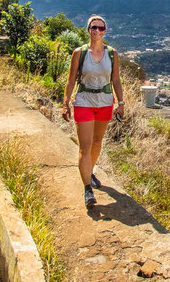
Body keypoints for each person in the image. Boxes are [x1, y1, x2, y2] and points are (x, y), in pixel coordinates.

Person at [62, 15, 124, 208]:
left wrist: (121, 102)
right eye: (94, 27)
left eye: (101, 28)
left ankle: (90, 171)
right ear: (88, 30)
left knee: (97, 143)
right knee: (85, 146)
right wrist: (65, 103)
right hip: (84, 101)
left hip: (105, 102)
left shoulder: (112, 54)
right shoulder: (79, 53)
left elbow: (115, 80)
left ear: (105, 31)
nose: (97, 31)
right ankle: (87, 188)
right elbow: (71, 80)